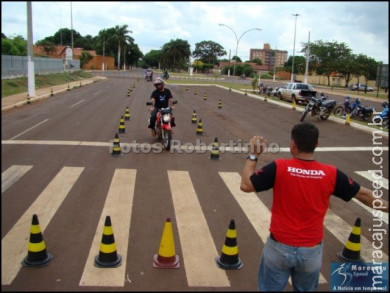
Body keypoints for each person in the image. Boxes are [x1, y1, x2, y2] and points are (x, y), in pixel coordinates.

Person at [240, 122, 388, 291]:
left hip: (279, 247)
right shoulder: (331, 173)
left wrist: (253, 154)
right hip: (311, 252)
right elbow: (366, 196)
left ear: (293, 145)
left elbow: (246, 185)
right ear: (317, 144)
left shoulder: (279, 167)